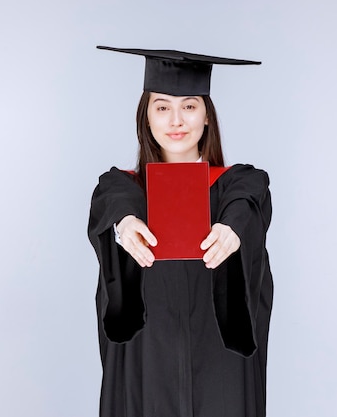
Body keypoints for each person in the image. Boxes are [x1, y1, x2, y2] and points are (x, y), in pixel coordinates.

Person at [87, 46, 274, 417]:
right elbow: (113, 200)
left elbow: (247, 200)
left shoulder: (237, 185)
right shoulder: (125, 189)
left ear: (207, 117)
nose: (177, 120)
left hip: (218, 362)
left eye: (189, 106)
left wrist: (233, 227)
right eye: (162, 107)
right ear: (147, 119)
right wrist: (124, 223)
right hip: (147, 365)